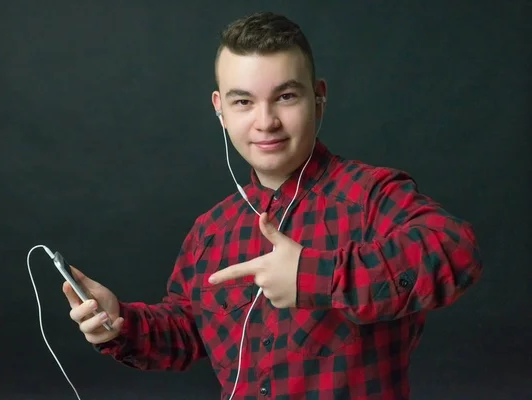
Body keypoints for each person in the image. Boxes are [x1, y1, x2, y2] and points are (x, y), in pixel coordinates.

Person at [63, 11, 483, 400]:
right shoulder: (211, 231)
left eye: (285, 97)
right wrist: (120, 323)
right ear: (220, 110)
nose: (266, 122)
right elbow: (186, 331)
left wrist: (313, 277)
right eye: (243, 101)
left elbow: (456, 251)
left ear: (318, 98)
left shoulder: (371, 195)